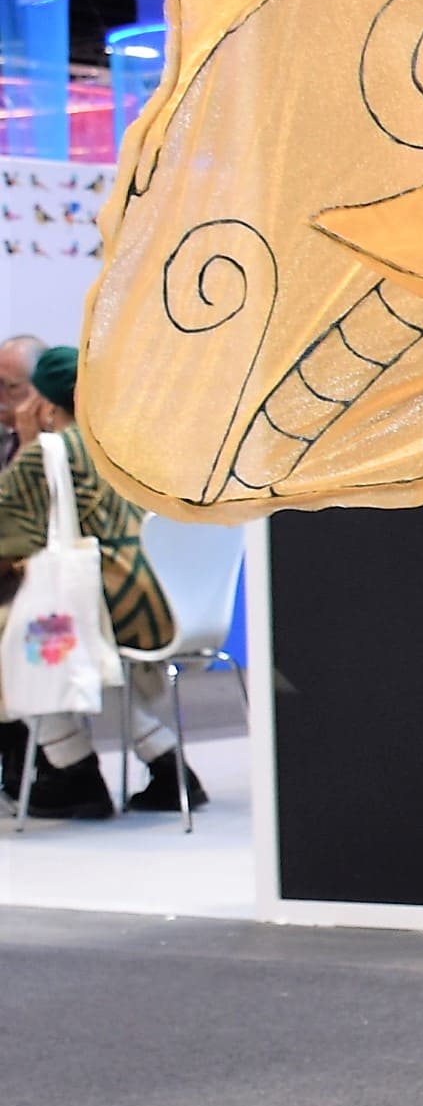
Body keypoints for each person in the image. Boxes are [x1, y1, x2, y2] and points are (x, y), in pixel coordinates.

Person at [0, 344, 195, 815]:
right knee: (71, 642)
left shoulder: (49, 454)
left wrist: (29, 441)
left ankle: (73, 768)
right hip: (161, 604)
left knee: (26, 635)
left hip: (102, 608)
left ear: (44, 401)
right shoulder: (130, 449)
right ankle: (166, 762)